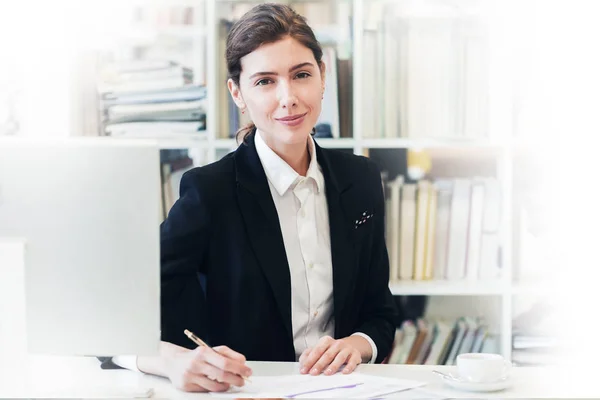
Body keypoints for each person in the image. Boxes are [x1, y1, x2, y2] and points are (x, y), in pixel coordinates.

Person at [104, 3, 397, 393]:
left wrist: (358, 346)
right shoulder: (210, 192)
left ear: (322, 76)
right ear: (237, 93)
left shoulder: (360, 179)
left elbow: (380, 311)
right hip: (248, 391)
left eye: (301, 75)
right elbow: (112, 311)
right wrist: (172, 361)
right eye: (264, 81)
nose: (288, 98)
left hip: (340, 390)